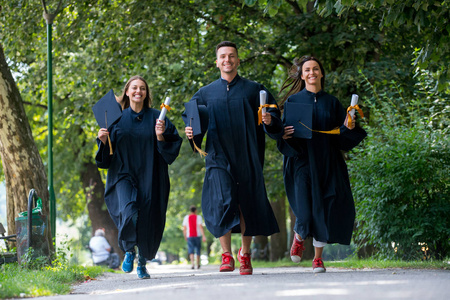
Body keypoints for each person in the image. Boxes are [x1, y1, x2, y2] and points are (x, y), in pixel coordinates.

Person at [182, 41, 284, 275]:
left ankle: (245, 255)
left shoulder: (254, 90)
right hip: (217, 155)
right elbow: (193, 122)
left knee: (245, 203)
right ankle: (226, 254)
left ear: (238, 60)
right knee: (222, 201)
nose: (227, 60)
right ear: (217, 62)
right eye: (223, 57)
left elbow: (275, 119)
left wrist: (270, 121)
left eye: (231, 56)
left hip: (248, 154)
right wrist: (191, 132)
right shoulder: (205, 93)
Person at [277, 56, 367, 273]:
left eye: (315, 69)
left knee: (323, 210)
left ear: (321, 73)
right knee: (306, 212)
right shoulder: (293, 102)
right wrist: (285, 135)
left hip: (327, 162)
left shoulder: (332, 102)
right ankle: (299, 235)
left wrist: (349, 126)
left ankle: (317, 259)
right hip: (302, 161)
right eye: (307, 69)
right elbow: (283, 135)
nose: (311, 73)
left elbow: (341, 136)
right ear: (301, 74)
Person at [95, 75, 182, 279]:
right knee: (129, 210)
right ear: (127, 91)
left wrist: (160, 135)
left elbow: (172, 147)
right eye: (134, 88)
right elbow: (105, 157)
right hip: (123, 174)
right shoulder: (116, 119)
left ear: (146, 93)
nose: (138, 91)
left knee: (147, 217)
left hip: (151, 175)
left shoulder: (157, 118)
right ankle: (128, 250)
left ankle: (142, 261)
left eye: (142, 88)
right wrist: (102, 140)